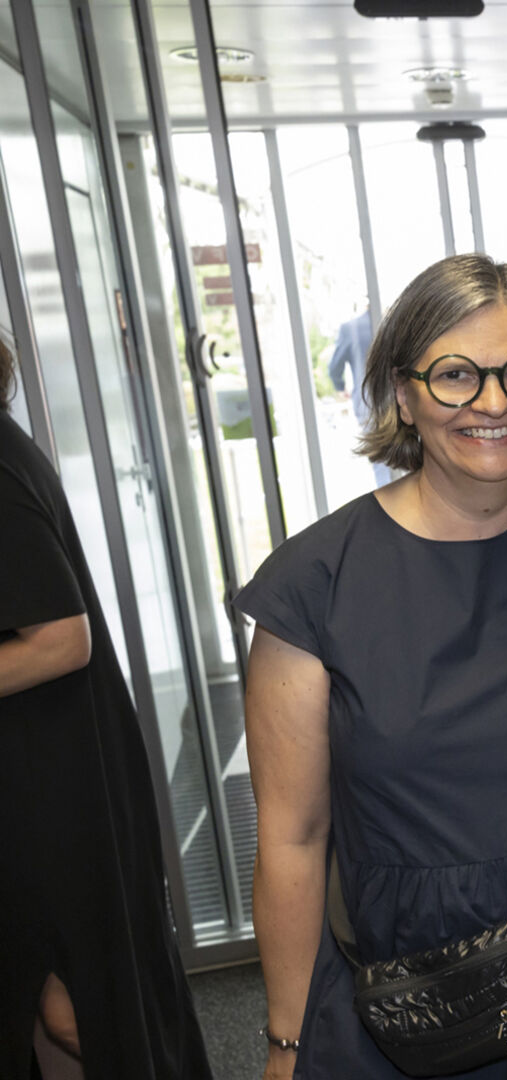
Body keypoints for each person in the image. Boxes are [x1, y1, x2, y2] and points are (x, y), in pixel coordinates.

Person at [236, 255, 507, 1079]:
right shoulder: (315, 584)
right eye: (456, 375)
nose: (493, 402)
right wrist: (287, 1042)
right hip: (407, 983)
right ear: (404, 393)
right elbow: (293, 837)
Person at [0, 337, 212, 1079]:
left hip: (47, 792)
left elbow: (59, 640)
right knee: (74, 1005)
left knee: (84, 1007)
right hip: (48, 780)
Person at [327, 307, 390, 488]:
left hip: (367, 403)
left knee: (381, 465)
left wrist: (340, 387)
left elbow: (334, 369)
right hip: (399, 401)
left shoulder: (350, 328)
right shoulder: (392, 323)